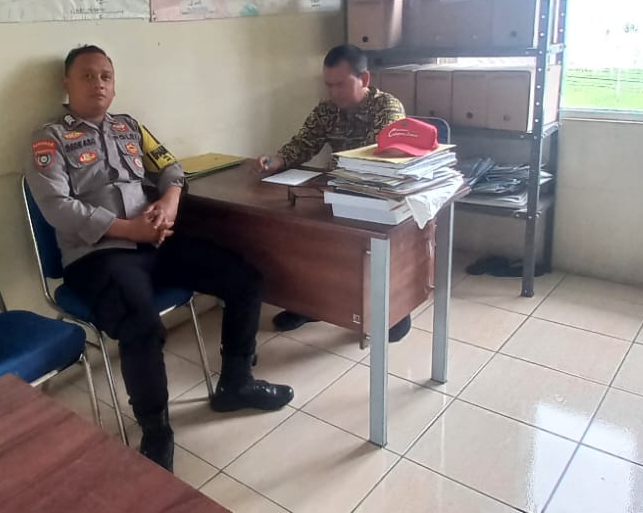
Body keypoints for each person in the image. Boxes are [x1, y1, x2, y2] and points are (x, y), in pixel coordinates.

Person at [25, 45, 294, 472]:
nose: (99, 83)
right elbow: (56, 207)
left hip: (154, 243)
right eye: (87, 76)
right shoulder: (49, 138)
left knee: (244, 279)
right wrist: (127, 229)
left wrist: (170, 201)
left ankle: (236, 383)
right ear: (67, 84)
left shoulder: (129, 126)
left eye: (106, 76)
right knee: (142, 325)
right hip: (98, 256)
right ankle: (156, 430)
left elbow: (170, 167)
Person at [254, 44, 414, 340]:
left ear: (364, 79)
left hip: (378, 198)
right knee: (301, 231)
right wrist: (277, 160)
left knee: (363, 245)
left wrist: (338, 179)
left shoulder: (387, 108)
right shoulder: (327, 109)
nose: (333, 93)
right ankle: (311, 304)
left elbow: (374, 159)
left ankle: (393, 308)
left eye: (341, 85)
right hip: (338, 191)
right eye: (329, 85)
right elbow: (304, 143)